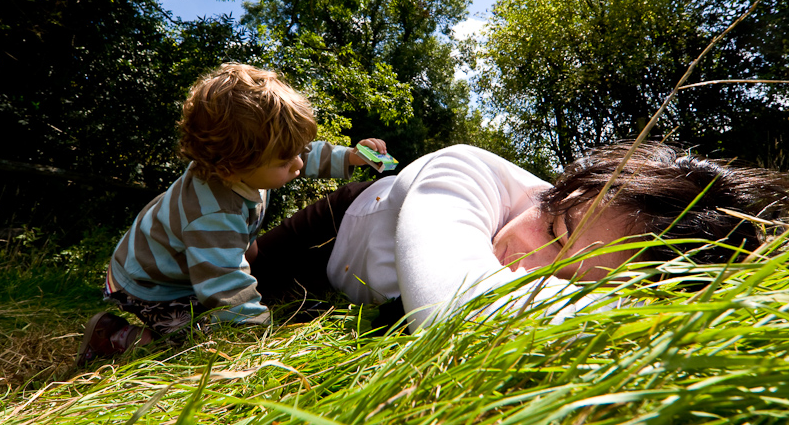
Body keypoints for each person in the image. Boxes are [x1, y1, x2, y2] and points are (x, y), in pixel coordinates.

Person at [250, 142, 789, 333]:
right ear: (557, 193)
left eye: (571, 283)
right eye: (555, 231)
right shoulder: (463, 173)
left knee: (299, 308)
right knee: (249, 270)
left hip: (363, 290)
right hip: (345, 223)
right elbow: (455, 306)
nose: (523, 268)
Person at [76, 63, 388, 365]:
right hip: (153, 287)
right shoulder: (212, 216)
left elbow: (305, 152)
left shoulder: (246, 162)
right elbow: (228, 288)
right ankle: (117, 337)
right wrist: (259, 339)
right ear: (231, 168)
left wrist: (350, 156)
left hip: (188, 262)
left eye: (296, 151)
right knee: (194, 348)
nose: (298, 164)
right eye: (284, 161)